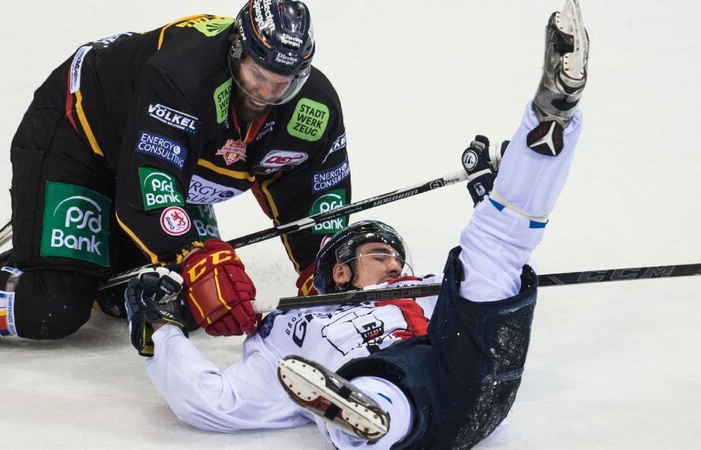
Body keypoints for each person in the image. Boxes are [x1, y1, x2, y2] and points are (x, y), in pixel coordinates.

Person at [122, 0, 588, 447]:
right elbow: (211, 403)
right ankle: (373, 413)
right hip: (419, 408)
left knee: (492, 246)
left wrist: (494, 197)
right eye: (379, 255)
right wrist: (161, 328)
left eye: (397, 257)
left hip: (477, 365)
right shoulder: (283, 335)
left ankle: (554, 111)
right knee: (382, 386)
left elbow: (488, 270)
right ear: (340, 271)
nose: (395, 266)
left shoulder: (426, 288)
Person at [0, 0, 350, 342]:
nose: (269, 93)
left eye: (284, 81)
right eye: (258, 75)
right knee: (54, 305)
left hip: (175, 167)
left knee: (167, 303)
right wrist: (194, 253)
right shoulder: (181, 78)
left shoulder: (314, 108)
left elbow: (315, 197)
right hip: (81, 135)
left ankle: (79, 253)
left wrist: (327, 268)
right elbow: (148, 185)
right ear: (236, 51)